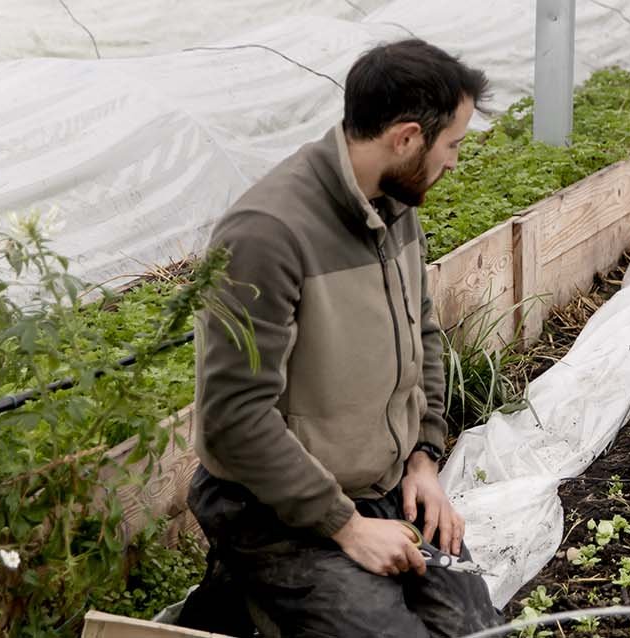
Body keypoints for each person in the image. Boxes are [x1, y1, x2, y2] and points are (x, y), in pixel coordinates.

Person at [175, 39, 501, 637]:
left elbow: (422, 335)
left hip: (382, 488)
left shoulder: (395, 204)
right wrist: (346, 527)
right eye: (451, 144)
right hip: (273, 509)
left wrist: (423, 460)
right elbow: (233, 417)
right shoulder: (267, 235)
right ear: (406, 139)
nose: (454, 161)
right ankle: (249, 597)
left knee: (476, 628)